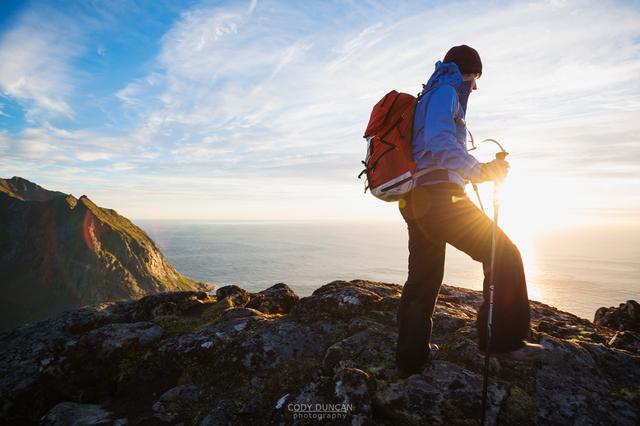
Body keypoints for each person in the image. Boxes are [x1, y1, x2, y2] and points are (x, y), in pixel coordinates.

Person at [395, 44, 547, 376]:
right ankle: (505, 341)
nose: (475, 86)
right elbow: (440, 143)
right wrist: (482, 171)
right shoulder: (447, 91)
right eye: (475, 77)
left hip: (418, 198)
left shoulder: (430, 92)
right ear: (465, 72)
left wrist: (479, 170)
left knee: (424, 277)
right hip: (439, 197)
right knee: (504, 253)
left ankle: (410, 358)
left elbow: (433, 146)